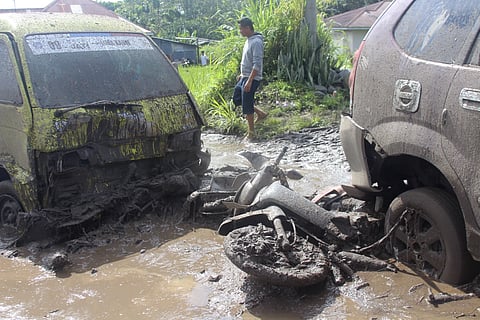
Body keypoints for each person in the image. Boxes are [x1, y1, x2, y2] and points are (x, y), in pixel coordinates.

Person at [233, 17, 268, 141]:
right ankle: (261, 113)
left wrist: (250, 80)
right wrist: (242, 74)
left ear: (247, 28)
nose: (240, 31)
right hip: (245, 76)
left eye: (241, 29)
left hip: (252, 78)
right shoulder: (248, 40)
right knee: (237, 99)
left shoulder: (256, 42)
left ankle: (251, 133)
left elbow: (257, 64)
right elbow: (247, 60)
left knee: (247, 104)